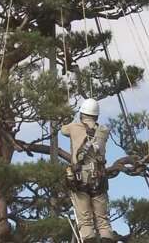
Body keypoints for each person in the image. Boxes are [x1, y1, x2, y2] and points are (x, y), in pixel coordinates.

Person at [61, 98, 116, 243]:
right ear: (96, 116)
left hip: (80, 178)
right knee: (103, 220)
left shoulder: (73, 127)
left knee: (85, 221)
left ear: (82, 114)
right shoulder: (104, 131)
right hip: (99, 177)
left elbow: (62, 130)